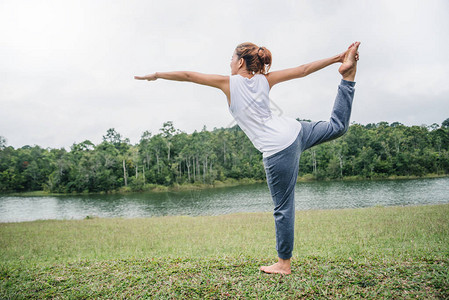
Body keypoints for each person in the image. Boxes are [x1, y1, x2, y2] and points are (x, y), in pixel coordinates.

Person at [135, 41, 360, 275]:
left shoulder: (228, 83)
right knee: (337, 127)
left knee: (283, 207)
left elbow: (189, 75)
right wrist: (337, 58)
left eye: (231, 59)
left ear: (240, 61)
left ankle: (284, 264)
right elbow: (303, 69)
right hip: (296, 130)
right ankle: (348, 76)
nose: (229, 63)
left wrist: (157, 75)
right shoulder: (265, 80)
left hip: (277, 148)